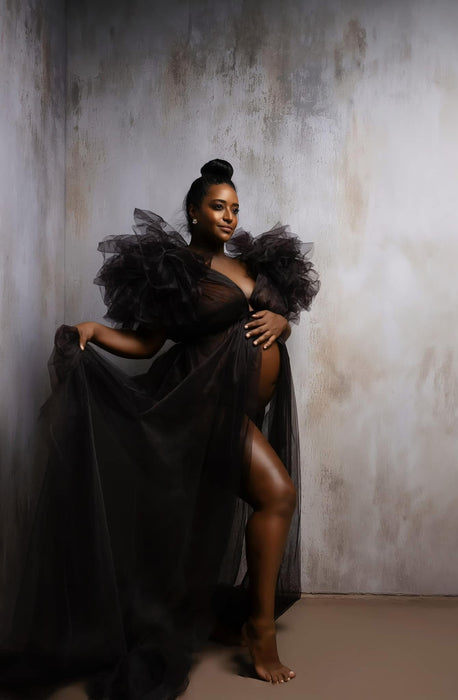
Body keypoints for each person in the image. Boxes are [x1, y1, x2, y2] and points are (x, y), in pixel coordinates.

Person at [0, 159, 320, 698]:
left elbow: (270, 323)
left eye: (235, 208)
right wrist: (95, 330)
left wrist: (282, 321)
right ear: (194, 212)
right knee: (278, 495)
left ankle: (228, 616)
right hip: (201, 404)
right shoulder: (176, 269)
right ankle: (259, 632)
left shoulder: (248, 263)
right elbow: (148, 344)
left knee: (219, 521)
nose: (229, 216)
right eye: (217, 207)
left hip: (240, 412)